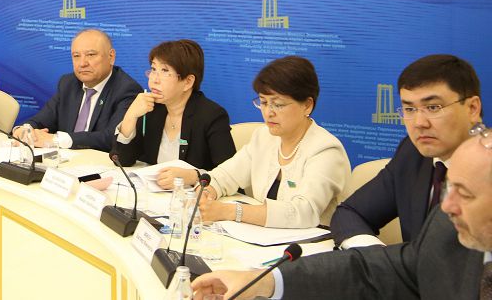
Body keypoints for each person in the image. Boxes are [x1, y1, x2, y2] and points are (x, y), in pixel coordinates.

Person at [190, 128, 492, 300]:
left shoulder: (324, 147)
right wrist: (263, 281)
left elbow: (303, 211)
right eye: (448, 188)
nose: (447, 206)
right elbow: (370, 270)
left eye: (465, 194)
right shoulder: (445, 227)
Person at [331, 54, 482, 248]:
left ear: (472, 108)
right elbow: (350, 214)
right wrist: (375, 256)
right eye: (409, 109)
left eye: (433, 107)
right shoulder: (412, 154)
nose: (419, 123)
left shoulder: (486, 167)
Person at [196, 56, 351, 228]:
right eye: (263, 102)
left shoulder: (326, 150)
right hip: (263, 237)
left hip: (313, 241)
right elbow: (225, 176)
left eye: (278, 105)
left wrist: (231, 211)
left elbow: (304, 212)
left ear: (307, 105)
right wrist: (206, 192)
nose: (268, 112)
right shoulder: (263, 136)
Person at [112, 39, 235, 186]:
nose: (154, 79)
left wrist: (194, 176)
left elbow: (230, 176)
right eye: (153, 69)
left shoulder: (211, 115)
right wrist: (130, 115)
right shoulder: (152, 108)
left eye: (165, 71)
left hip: (190, 197)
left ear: (188, 82)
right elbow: (122, 160)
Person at [12, 29, 140, 151]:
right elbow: (41, 120)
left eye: (91, 55)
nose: (82, 63)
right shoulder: (68, 83)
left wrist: (56, 140)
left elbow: (111, 138)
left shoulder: (127, 90)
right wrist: (24, 130)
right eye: (76, 56)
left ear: (111, 56)